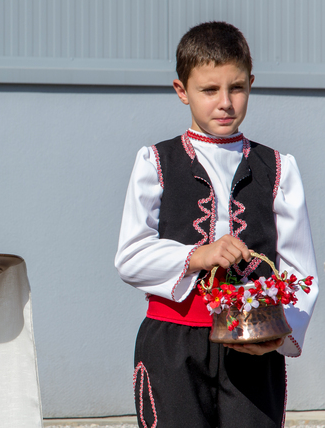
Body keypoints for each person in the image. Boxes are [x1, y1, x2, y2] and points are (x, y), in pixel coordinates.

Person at [115, 21, 319, 428]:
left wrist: (280, 333)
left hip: (254, 342)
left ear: (251, 84)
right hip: (173, 343)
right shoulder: (154, 162)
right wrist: (198, 255)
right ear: (182, 90)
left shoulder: (279, 168)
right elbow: (130, 257)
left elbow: (300, 271)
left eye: (237, 87)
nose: (225, 102)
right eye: (209, 90)